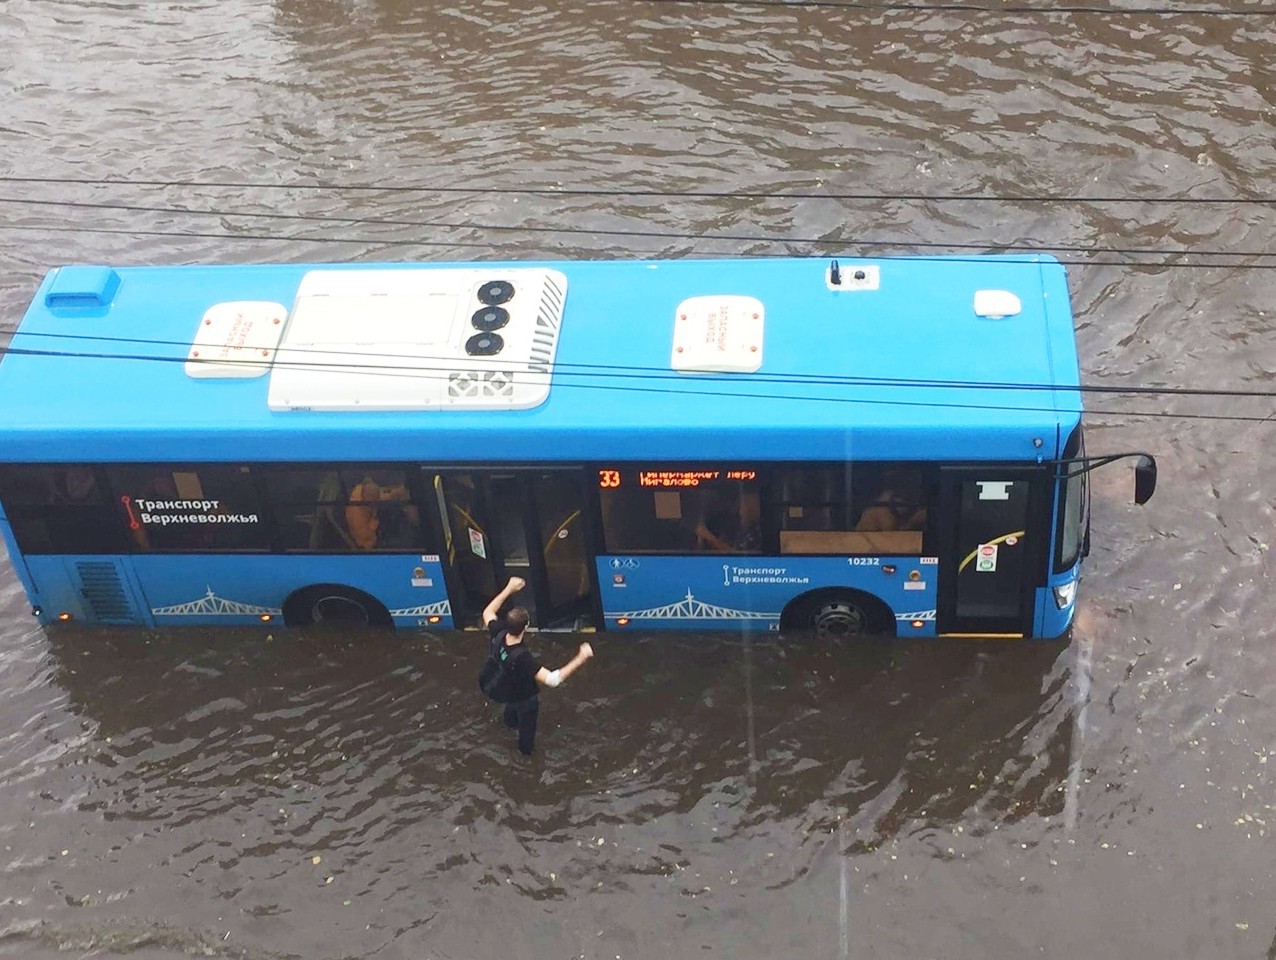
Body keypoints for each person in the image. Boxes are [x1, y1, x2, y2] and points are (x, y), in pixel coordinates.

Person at [481, 576, 594, 756]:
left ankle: (508, 729)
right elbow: (552, 680)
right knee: (526, 741)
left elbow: (488, 612)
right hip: (525, 699)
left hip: (506, 690)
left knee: (510, 718)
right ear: (526, 626)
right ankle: (524, 759)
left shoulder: (498, 633)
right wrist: (580, 658)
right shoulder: (523, 658)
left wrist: (508, 589)